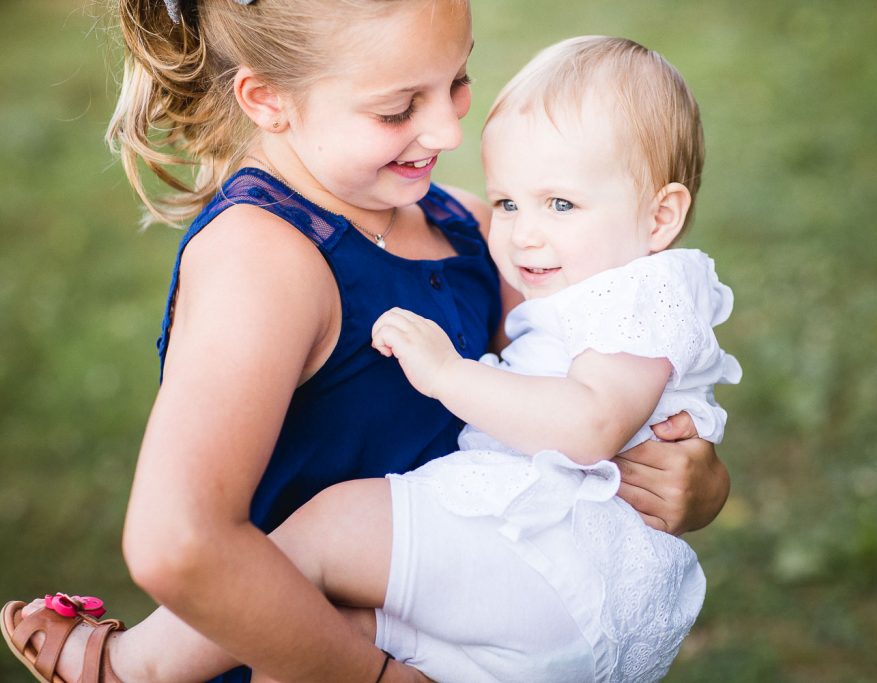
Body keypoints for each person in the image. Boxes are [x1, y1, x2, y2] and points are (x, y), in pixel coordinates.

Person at [1, 0, 729, 680]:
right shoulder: (264, 261)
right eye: (398, 107)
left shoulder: (464, 225)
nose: (448, 130)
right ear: (268, 100)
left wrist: (692, 484)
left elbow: (579, 395)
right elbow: (177, 543)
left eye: (459, 79)